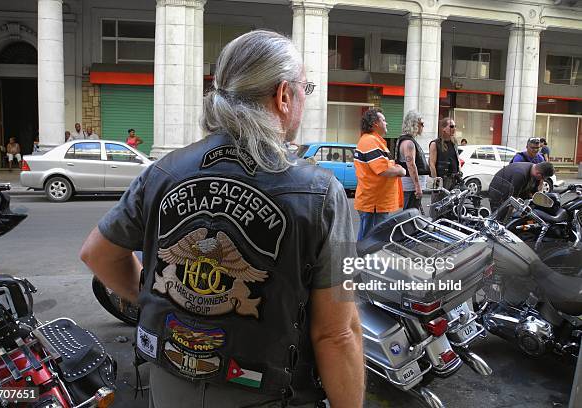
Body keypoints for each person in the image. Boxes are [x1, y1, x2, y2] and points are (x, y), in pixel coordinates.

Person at [80, 30, 364, 408]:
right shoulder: (325, 194)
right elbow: (338, 333)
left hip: (167, 388)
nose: (304, 99)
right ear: (283, 95)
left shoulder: (163, 170)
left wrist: (159, 297)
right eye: (304, 88)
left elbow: (97, 254)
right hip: (269, 394)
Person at [354, 108, 405, 240]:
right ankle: (362, 260)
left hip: (375, 202)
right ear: (375, 123)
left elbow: (384, 166)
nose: (387, 123)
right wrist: (400, 170)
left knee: (371, 237)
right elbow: (383, 170)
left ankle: (364, 259)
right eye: (384, 120)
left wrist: (394, 166)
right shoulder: (371, 141)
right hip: (374, 203)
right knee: (371, 239)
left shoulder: (373, 141)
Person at [396, 110, 430, 211]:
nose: (423, 127)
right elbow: (411, 165)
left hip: (411, 186)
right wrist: (417, 187)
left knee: (411, 213)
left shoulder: (407, 141)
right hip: (411, 187)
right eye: (421, 124)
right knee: (410, 214)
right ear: (414, 124)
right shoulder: (408, 143)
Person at [488, 161, 554, 212]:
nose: (542, 180)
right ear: (538, 173)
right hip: (498, 192)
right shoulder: (520, 174)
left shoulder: (534, 171)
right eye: (543, 178)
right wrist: (511, 211)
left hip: (513, 191)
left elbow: (534, 193)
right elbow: (513, 198)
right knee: (501, 217)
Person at [429, 117, 461, 209]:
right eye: (451, 126)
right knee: (438, 206)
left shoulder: (454, 142)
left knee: (451, 207)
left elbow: (456, 159)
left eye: (455, 126)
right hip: (442, 180)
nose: (454, 128)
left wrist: (459, 172)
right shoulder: (435, 144)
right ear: (443, 128)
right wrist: (436, 183)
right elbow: (432, 164)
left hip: (453, 179)